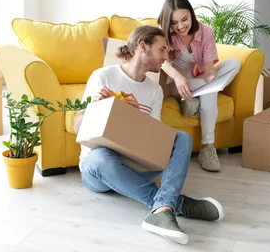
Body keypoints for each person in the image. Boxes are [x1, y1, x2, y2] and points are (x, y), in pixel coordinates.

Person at [73, 26, 224, 245]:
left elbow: (155, 143)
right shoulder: (103, 77)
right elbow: (78, 126)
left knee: (181, 138)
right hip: (98, 170)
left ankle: (163, 208)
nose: (166, 57)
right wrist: (96, 108)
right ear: (143, 47)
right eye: (162, 50)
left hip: (136, 165)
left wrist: (134, 117)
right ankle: (172, 205)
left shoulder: (154, 91)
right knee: (100, 157)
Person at [158, 0, 241, 173]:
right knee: (208, 92)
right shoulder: (163, 33)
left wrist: (211, 76)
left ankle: (191, 102)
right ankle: (208, 146)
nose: (180, 26)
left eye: (184, 19)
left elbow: (209, 66)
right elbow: (161, 61)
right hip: (174, 82)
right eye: (174, 22)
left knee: (234, 63)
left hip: (196, 81)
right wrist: (179, 77)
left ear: (191, 14)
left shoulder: (205, 32)